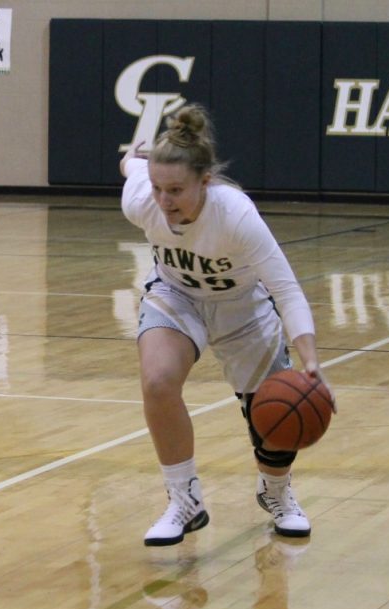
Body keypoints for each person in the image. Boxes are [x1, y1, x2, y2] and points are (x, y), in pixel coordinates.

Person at [118, 104, 336, 547]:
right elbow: (132, 171)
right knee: (158, 382)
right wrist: (132, 162)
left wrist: (310, 361)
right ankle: (185, 500)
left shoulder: (235, 215)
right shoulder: (143, 201)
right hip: (176, 296)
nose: (164, 200)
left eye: (176, 189)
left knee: (275, 421)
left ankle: (276, 491)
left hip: (242, 308)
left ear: (206, 182)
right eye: (158, 188)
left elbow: (287, 290)